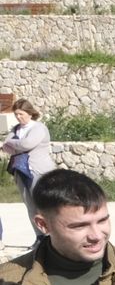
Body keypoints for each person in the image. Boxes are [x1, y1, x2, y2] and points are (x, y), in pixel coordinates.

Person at [3, 98, 55, 230]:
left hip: (38, 171)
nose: (18, 117)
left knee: (42, 204)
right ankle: (39, 237)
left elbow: (27, 144)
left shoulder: (39, 128)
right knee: (30, 205)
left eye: (21, 114)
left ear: (30, 113)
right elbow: (6, 146)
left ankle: (51, 236)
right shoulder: (15, 129)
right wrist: (16, 145)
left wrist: (14, 144)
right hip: (20, 171)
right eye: (16, 114)